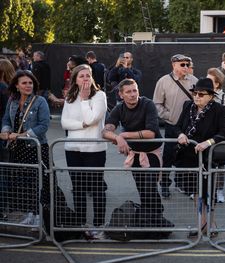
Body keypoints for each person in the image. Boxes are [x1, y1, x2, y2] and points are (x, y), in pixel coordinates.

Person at [102, 79, 165, 226]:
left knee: (150, 187)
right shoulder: (119, 109)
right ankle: (148, 219)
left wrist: (124, 135)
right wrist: (117, 137)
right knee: (142, 188)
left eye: (134, 90)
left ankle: (157, 217)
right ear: (121, 94)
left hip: (152, 153)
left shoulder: (147, 104)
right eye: (128, 92)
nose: (132, 94)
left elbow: (151, 133)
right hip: (135, 153)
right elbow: (105, 132)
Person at [174, 78, 225, 237]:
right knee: (195, 192)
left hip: (207, 158)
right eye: (195, 93)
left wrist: (208, 142)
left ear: (210, 96)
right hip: (188, 157)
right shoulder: (188, 106)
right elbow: (177, 126)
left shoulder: (218, 109)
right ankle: (201, 223)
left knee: (208, 193)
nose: (196, 96)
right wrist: (180, 134)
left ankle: (211, 225)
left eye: (201, 94)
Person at [61, 64, 108, 239]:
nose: (85, 79)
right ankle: (81, 223)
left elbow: (92, 118)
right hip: (72, 149)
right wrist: (82, 125)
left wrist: (85, 99)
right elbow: (65, 123)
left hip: (94, 150)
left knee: (96, 188)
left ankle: (98, 225)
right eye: (81, 76)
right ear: (75, 79)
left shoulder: (99, 96)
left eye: (88, 76)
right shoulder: (70, 97)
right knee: (78, 188)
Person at [0, 70, 50, 226]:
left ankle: (39, 216)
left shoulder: (40, 101)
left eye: (30, 83)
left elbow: (43, 126)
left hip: (35, 148)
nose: (28, 86)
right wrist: (5, 130)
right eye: (24, 83)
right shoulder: (12, 100)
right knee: (23, 184)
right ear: (16, 85)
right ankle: (30, 213)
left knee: (38, 183)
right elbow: (6, 118)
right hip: (17, 149)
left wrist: (20, 135)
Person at [153, 54, 198, 198]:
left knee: (188, 156)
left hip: (189, 126)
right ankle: (165, 184)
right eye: (182, 65)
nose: (186, 67)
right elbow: (157, 104)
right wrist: (169, 116)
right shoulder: (164, 81)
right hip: (172, 126)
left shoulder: (194, 81)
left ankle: (184, 184)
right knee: (168, 156)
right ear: (173, 65)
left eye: (187, 64)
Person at [207, 67, 225, 203]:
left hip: (219, 136)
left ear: (217, 83)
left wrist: (215, 123)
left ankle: (219, 191)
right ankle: (203, 191)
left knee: (220, 165)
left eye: (210, 80)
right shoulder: (203, 94)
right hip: (205, 137)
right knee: (204, 163)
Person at [0, 59, 16, 218]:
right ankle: (7, 206)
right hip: (7, 134)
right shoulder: (9, 89)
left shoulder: (4, 88)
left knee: (4, 171)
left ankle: (4, 206)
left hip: (5, 134)